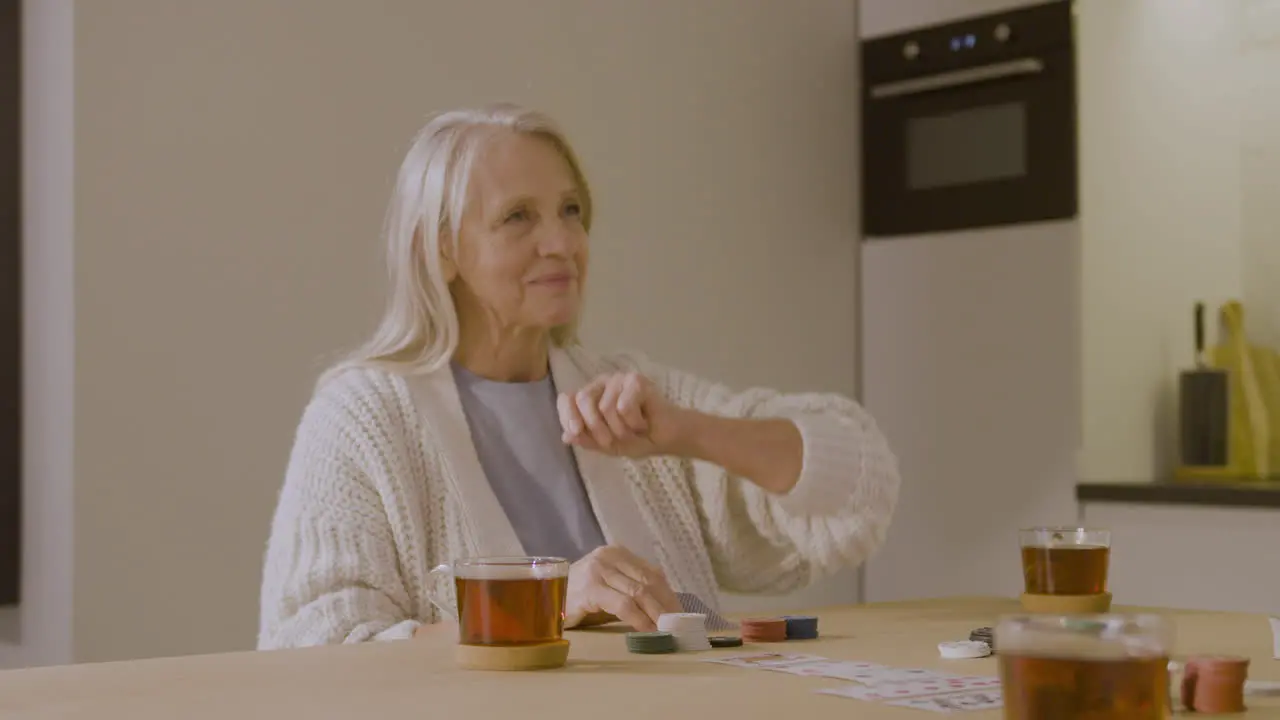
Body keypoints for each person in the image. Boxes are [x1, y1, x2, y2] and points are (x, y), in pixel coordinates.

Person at [256, 103, 901, 649]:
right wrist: (544, 607)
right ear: (442, 247)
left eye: (570, 211)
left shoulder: (626, 395)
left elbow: (860, 485)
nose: (562, 242)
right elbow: (309, 645)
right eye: (519, 217)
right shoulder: (363, 417)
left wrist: (687, 432)